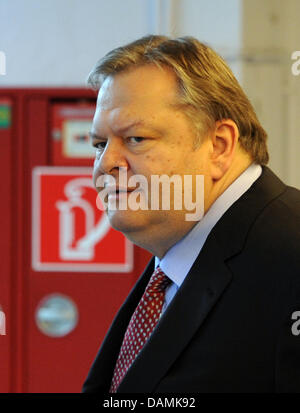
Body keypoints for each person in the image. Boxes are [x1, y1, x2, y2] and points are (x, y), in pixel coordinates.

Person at [82, 35, 300, 393]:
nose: (106, 164)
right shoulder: (173, 262)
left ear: (219, 146)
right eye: (99, 144)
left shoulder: (290, 258)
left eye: (136, 139)